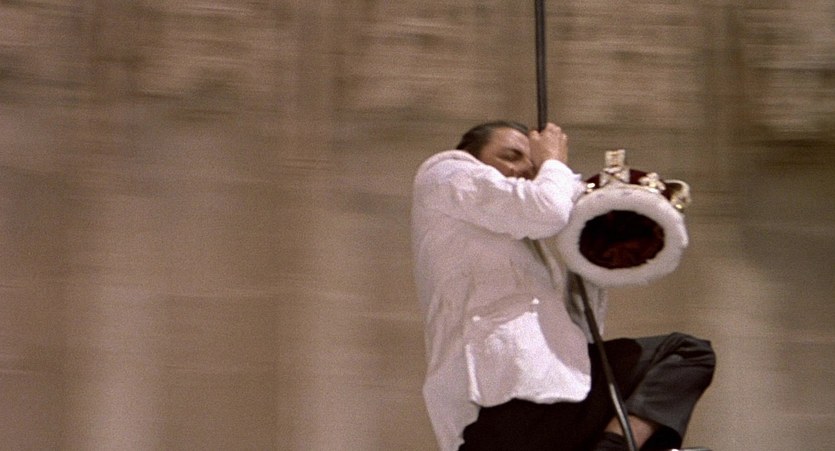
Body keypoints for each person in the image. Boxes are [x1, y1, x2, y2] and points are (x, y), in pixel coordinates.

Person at [411, 121, 715, 451]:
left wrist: (596, 247)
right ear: (473, 156)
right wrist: (553, 161)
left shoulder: (530, 251)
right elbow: (548, 210)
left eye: (533, 165)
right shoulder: (446, 173)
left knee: (687, 357)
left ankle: (613, 445)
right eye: (511, 156)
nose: (524, 171)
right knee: (684, 352)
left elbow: (580, 339)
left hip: (548, 399)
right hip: (499, 406)